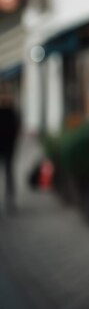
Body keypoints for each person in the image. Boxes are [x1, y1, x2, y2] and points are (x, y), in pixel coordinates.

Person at [0, 81, 19, 214]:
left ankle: (10, 199)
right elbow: (17, 127)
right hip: (9, 145)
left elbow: (16, 127)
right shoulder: (12, 109)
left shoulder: (11, 110)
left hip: (8, 145)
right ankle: (10, 199)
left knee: (8, 172)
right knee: (9, 172)